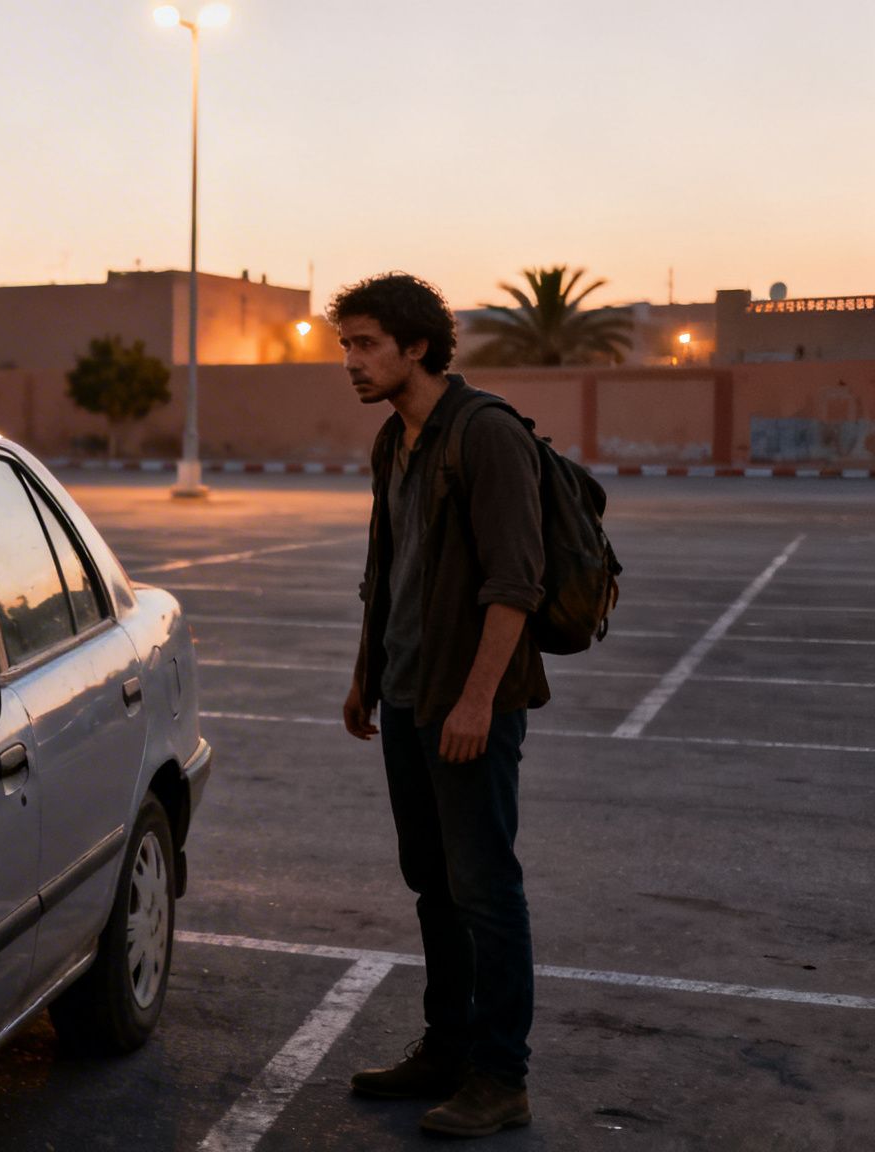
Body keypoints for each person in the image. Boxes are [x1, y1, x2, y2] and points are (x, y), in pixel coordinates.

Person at [332, 273, 545, 1138]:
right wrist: (364, 674)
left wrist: (477, 702)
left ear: (416, 345)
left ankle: (502, 1076)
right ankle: (447, 1046)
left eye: (366, 343)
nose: (350, 362)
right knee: (432, 883)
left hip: (469, 705)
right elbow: (388, 571)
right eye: (345, 345)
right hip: (409, 695)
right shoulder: (395, 442)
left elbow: (516, 583)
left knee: (485, 887)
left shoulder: (485, 434)